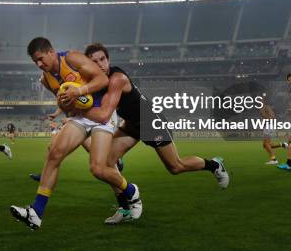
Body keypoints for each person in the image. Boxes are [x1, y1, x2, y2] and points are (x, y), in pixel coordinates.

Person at [84, 43, 228, 224]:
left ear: (108, 60)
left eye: (102, 59)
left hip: (151, 122)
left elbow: (105, 112)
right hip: (131, 125)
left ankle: (214, 165)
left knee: (175, 167)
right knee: (107, 162)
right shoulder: (96, 82)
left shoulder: (117, 78)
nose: (100, 64)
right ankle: (125, 208)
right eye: (94, 62)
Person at [10, 37, 141, 230]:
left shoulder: (71, 59)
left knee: (98, 168)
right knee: (54, 153)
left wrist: (79, 91)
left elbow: (102, 79)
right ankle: (36, 212)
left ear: (51, 52)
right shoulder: (46, 79)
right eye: (35, 61)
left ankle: (130, 190)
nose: (39, 64)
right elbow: (63, 101)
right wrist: (64, 104)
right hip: (80, 116)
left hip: (101, 114)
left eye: (40, 58)